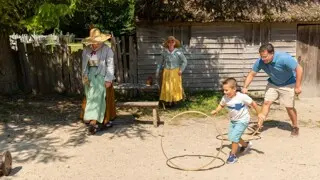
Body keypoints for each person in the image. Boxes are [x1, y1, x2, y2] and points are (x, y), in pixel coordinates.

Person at [242, 43, 303, 136]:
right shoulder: (260, 61)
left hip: (288, 83)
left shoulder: (284, 58)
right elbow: (252, 74)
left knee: (289, 106)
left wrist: (298, 86)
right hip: (273, 83)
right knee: (266, 103)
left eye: (265, 56)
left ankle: (295, 127)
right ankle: (259, 126)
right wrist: (245, 87)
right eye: (261, 56)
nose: (263, 59)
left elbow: (299, 69)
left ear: (272, 53)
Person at [211, 78, 260, 164]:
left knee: (234, 137)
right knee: (232, 136)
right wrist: (216, 110)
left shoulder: (241, 96)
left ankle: (232, 156)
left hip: (243, 120)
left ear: (234, 89)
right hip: (233, 120)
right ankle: (246, 145)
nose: (225, 92)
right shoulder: (225, 98)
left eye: (226, 90)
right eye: (224, 90)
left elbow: (253, 103)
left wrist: (259, 114)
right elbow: (221, 105)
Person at [80, 28, 116, 135]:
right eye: (93, 42)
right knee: (90, 97)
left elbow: (110, 65)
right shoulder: (86, 50)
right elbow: (84, 65)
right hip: (90, 76)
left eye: (97, 42)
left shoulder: (107, 50)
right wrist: (85, 76)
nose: (95, 44)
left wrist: (109, 79)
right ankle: (92, 118)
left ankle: (93, 121)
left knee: (98, 97)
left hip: (101, 76)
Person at [155, 36, 187, 107]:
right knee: (167, 86)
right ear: (167, 43)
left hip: (176, 72)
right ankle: (168, 102)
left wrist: (181, 70)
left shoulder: (178, 52)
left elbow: (184, 61)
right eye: (169, 42)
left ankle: (175, 102)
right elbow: (160, 63)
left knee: (175, 86)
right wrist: (157, 71)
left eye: (172, 41)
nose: (171, 43)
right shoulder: (164, 53)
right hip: (166, 72)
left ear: (175, 43)